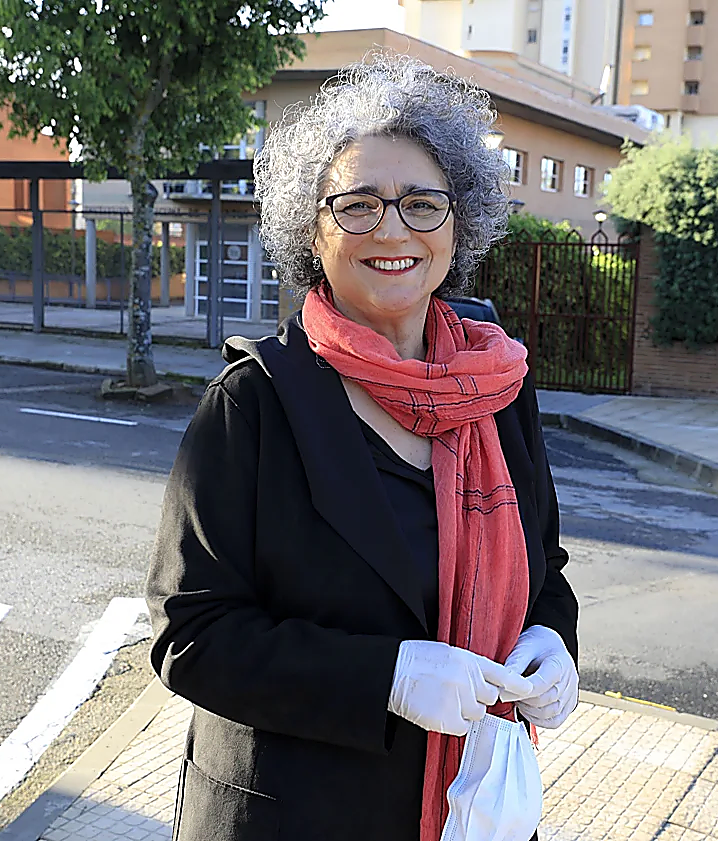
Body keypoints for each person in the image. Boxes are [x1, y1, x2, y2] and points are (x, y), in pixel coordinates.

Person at [145, 53, 579, 841]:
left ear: (459, 222)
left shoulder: (501, 389)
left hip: (468, 807)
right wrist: (387, 675)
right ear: (312, 228)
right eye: (357, 205)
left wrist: (554, 639)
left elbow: (545, 569)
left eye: (421, 204)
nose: (392, 230)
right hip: (289, 816)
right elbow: (191, 635)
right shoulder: (253, 404)